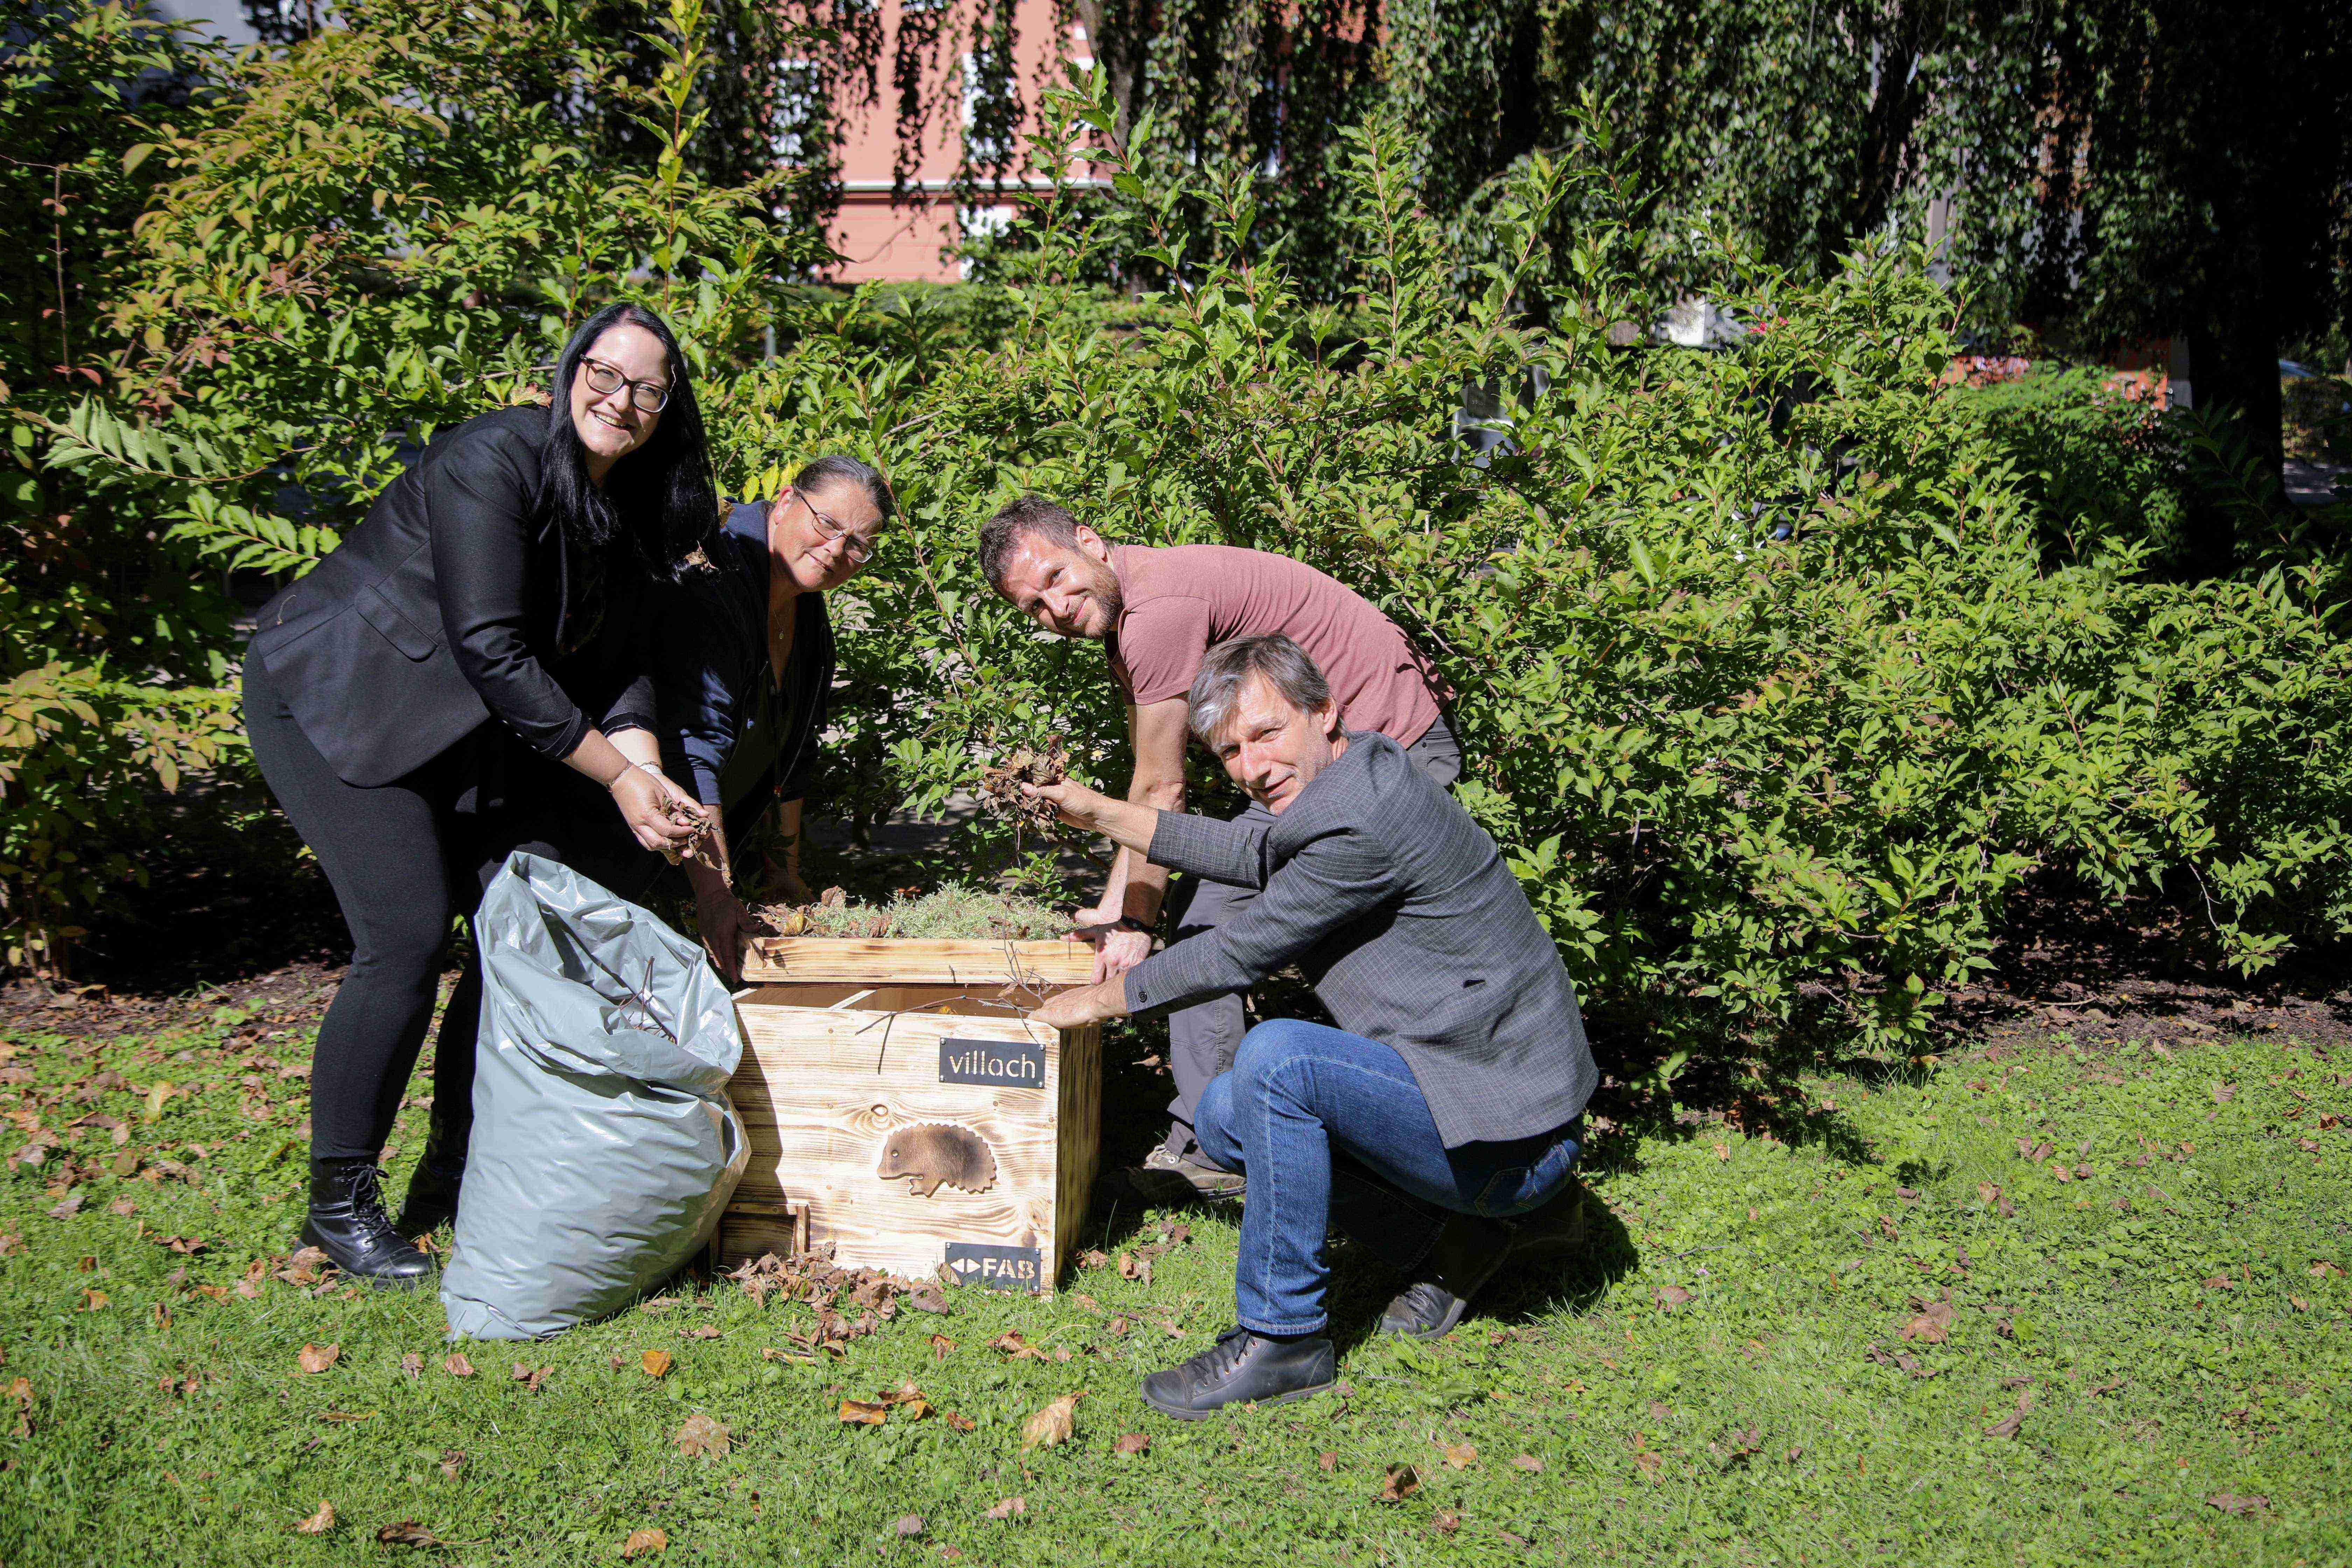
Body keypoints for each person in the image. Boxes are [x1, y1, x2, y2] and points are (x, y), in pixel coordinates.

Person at [242, 302, 714, 1286]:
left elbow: (619, 660)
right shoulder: (489, 462)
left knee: (508, 925)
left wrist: (648, 769)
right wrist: (620, 776)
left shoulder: (626, 500)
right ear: (570, 367)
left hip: (459, 730)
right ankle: (339, 1203)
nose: (620, 400)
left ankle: (455, 1167)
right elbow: (494, 652)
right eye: (604, 373)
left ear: (668, 409)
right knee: (406, 938)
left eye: (647, 389)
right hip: (340, 702)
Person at [1027, 635, 1596, 1419]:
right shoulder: (1356, 769)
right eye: (1228, 750)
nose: (1251, 766)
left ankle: (1283, 1333)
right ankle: (1463, 1238)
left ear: (1325, 711)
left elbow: (1245, 946)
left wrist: (1095, 1000)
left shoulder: (1362, 819)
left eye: (1267, 733)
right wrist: (1099, 811)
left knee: (1278, 1060)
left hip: (1516, 1138)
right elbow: (1250, 846)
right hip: (1478, 1103)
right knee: (1227, 1116)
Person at [977, 497, 1460, 1200]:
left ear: (1090, 541)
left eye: (1055, 576)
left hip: (1391, 754)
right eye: (1034, 607)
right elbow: (1148, 794)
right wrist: (1117, 903)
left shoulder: (1157, 614)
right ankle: (1222, 1139)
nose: (1054, 607)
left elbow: (1162, 789)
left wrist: (1139, 923)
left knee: (1244, 929)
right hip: (1322, 768)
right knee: (1215, 912)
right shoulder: (1137, 601)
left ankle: (1241, 1145)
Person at [603, 456, 893, 982]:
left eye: (858, 545)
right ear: (785, 503)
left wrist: (784, 876)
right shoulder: (716, 575)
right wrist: (715, 893)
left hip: (685, 849)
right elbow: (695, 746)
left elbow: (795, 754)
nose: (836, 552)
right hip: (619, 831)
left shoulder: (807, 615)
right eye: (828, 525)